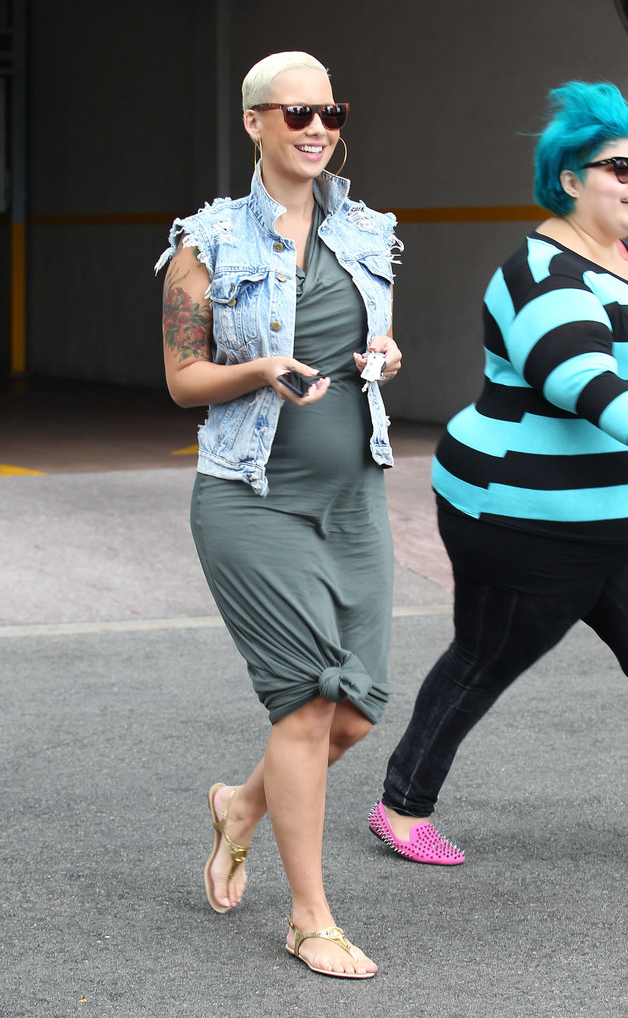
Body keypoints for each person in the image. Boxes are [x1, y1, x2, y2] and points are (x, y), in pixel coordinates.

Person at [156, 51, 403, 978]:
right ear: (253, 122)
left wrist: (386, 356)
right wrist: (260, 368)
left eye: (331, 112)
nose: (317, 128)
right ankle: (309, 918)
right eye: (295, 112)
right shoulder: (206, 243)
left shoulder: (370, 231)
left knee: (357, 712)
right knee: (306, 701)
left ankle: (243, 804)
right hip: (251, 497)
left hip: (354, 497)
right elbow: (183, 380)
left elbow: (373, 343)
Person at [369, 80, 628, 864]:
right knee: (486, 657)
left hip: (611, 513)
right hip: (524, 518)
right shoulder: (541, 275)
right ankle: (401, 807)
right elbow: (583, 380)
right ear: (569, 178)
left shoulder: (620, 258)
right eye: (620, 168)